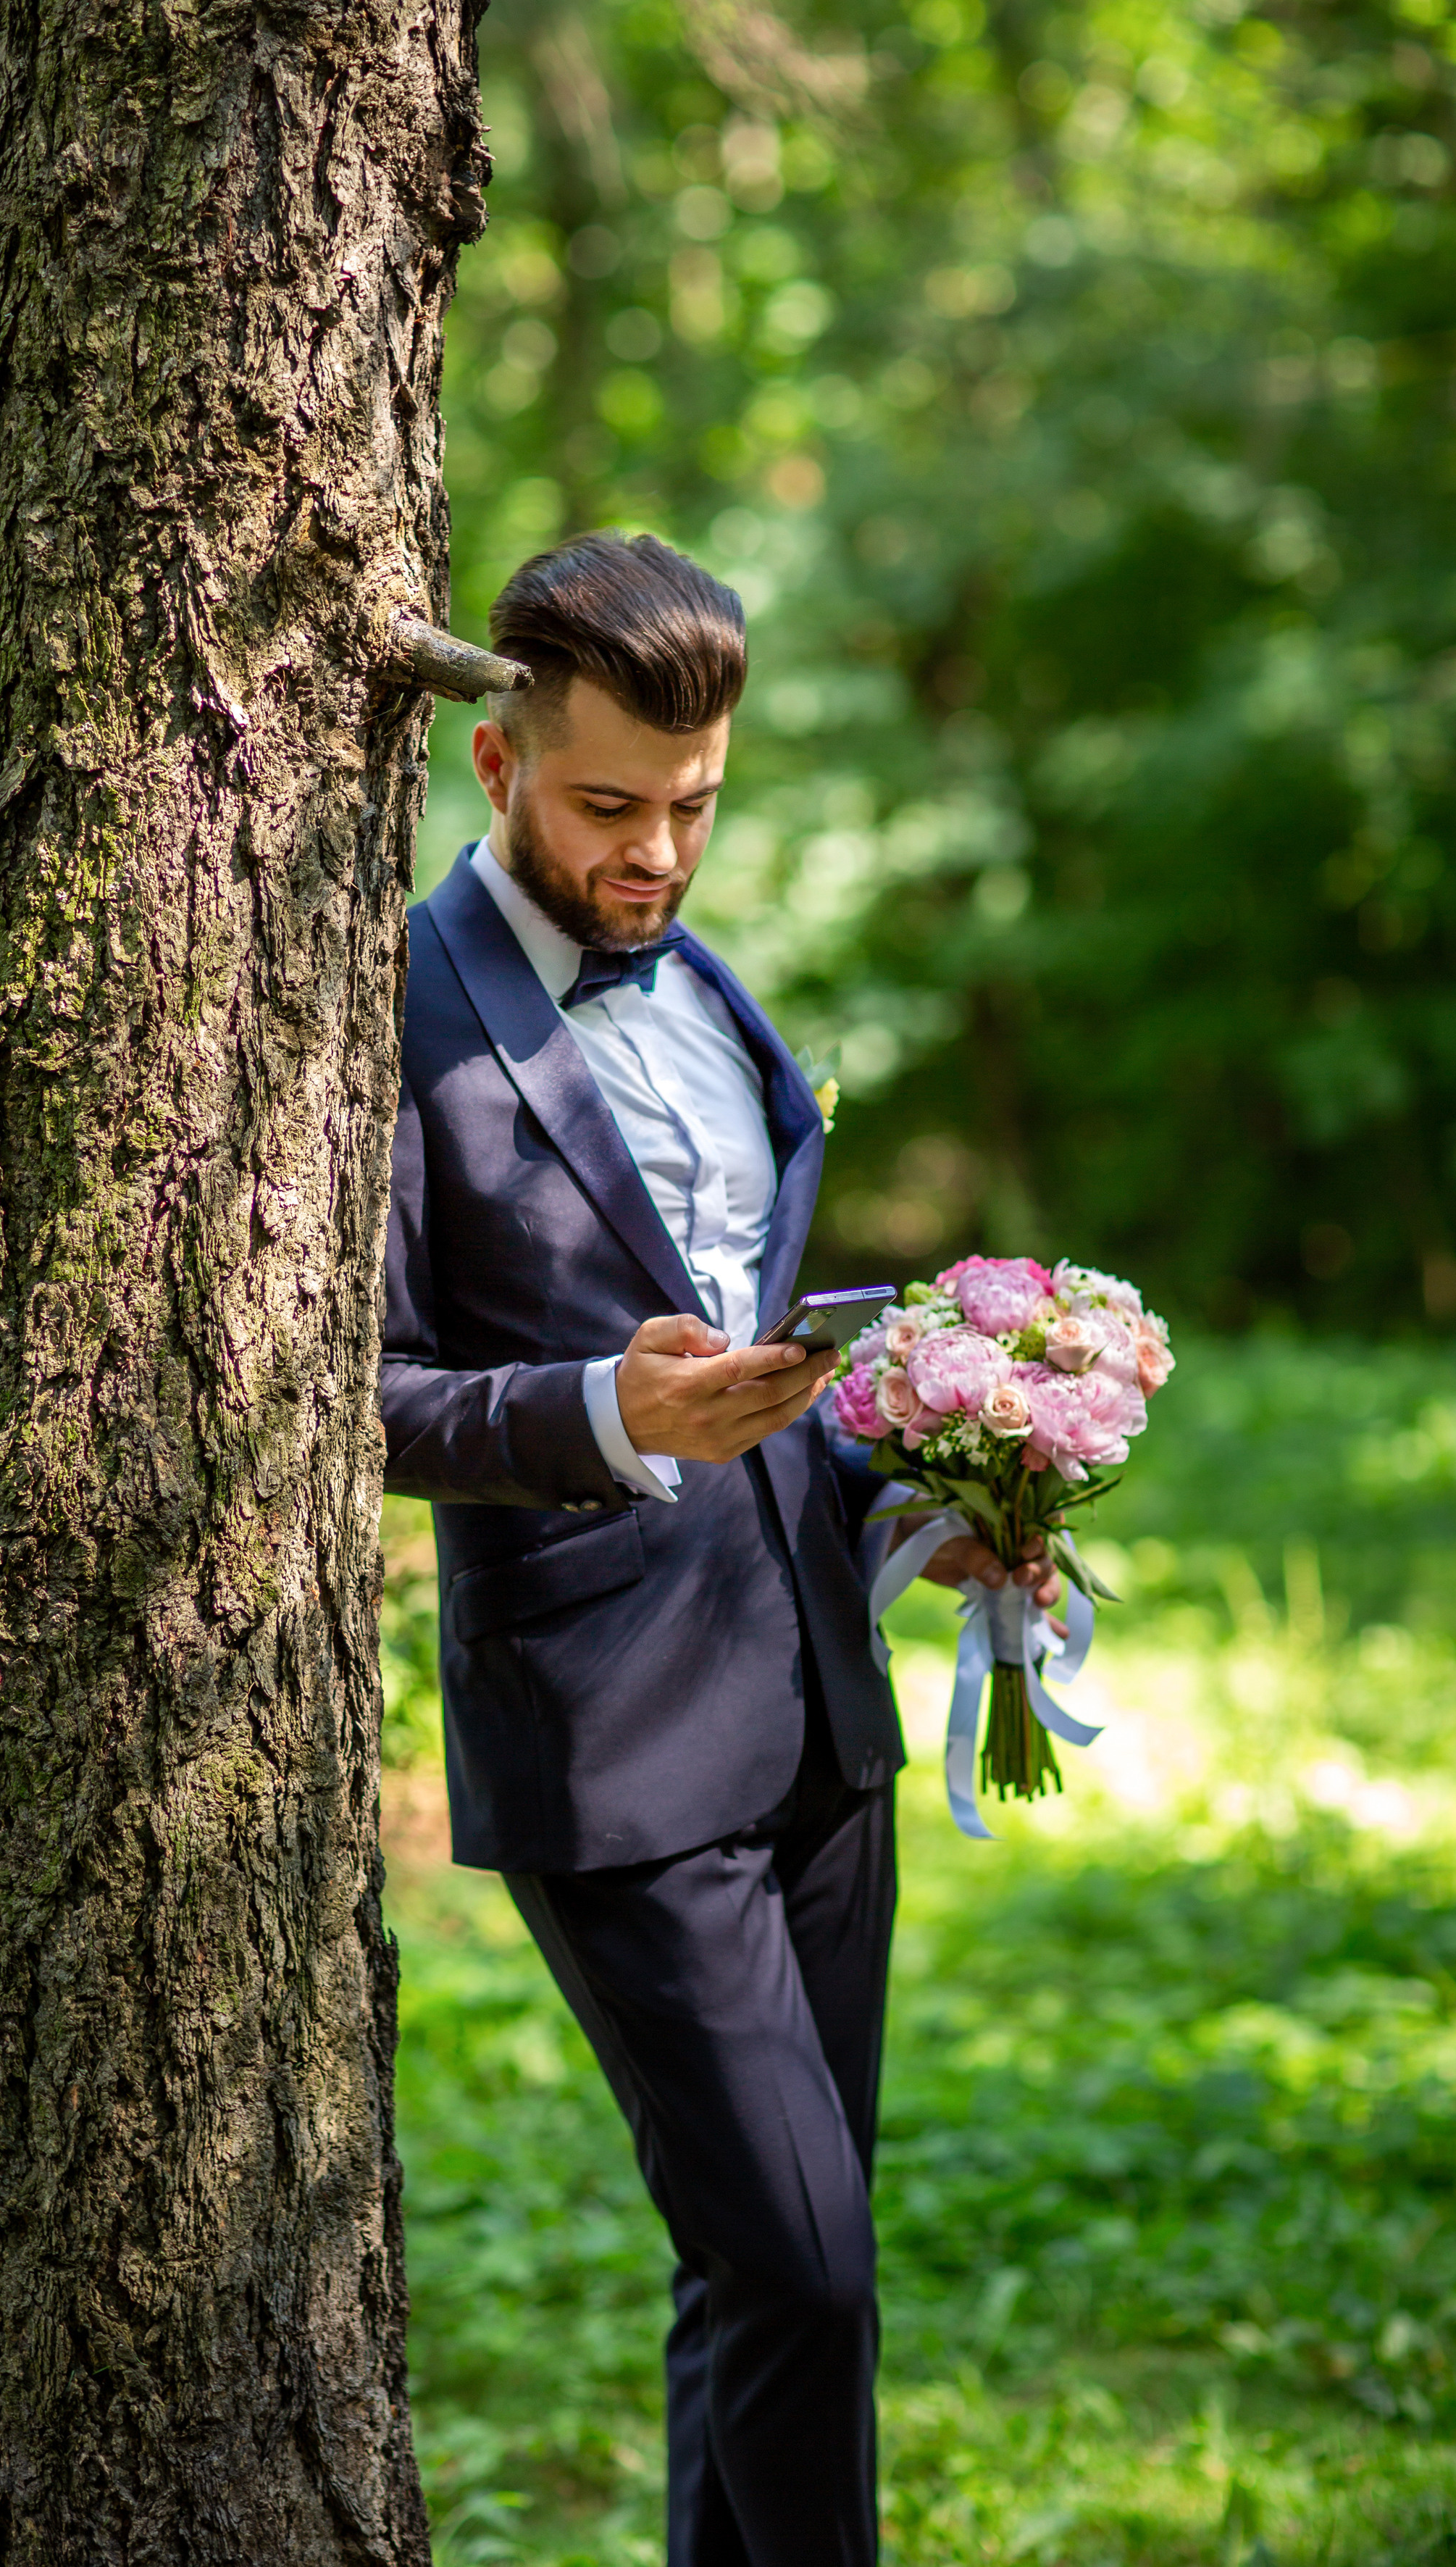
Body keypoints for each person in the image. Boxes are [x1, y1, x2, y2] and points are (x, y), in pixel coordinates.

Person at [380, 530, 1055, 2566]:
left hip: (817, 1722)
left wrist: (940, 1496)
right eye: (609, 806)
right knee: (806, 2272)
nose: (658, 851)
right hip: (610, 1737)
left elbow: (761, 1336)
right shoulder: (398, 1009)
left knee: (756, 2288)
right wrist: (599, 1412)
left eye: (694, 805)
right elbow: (344, 1388)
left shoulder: (719, 998)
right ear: (495, 764)